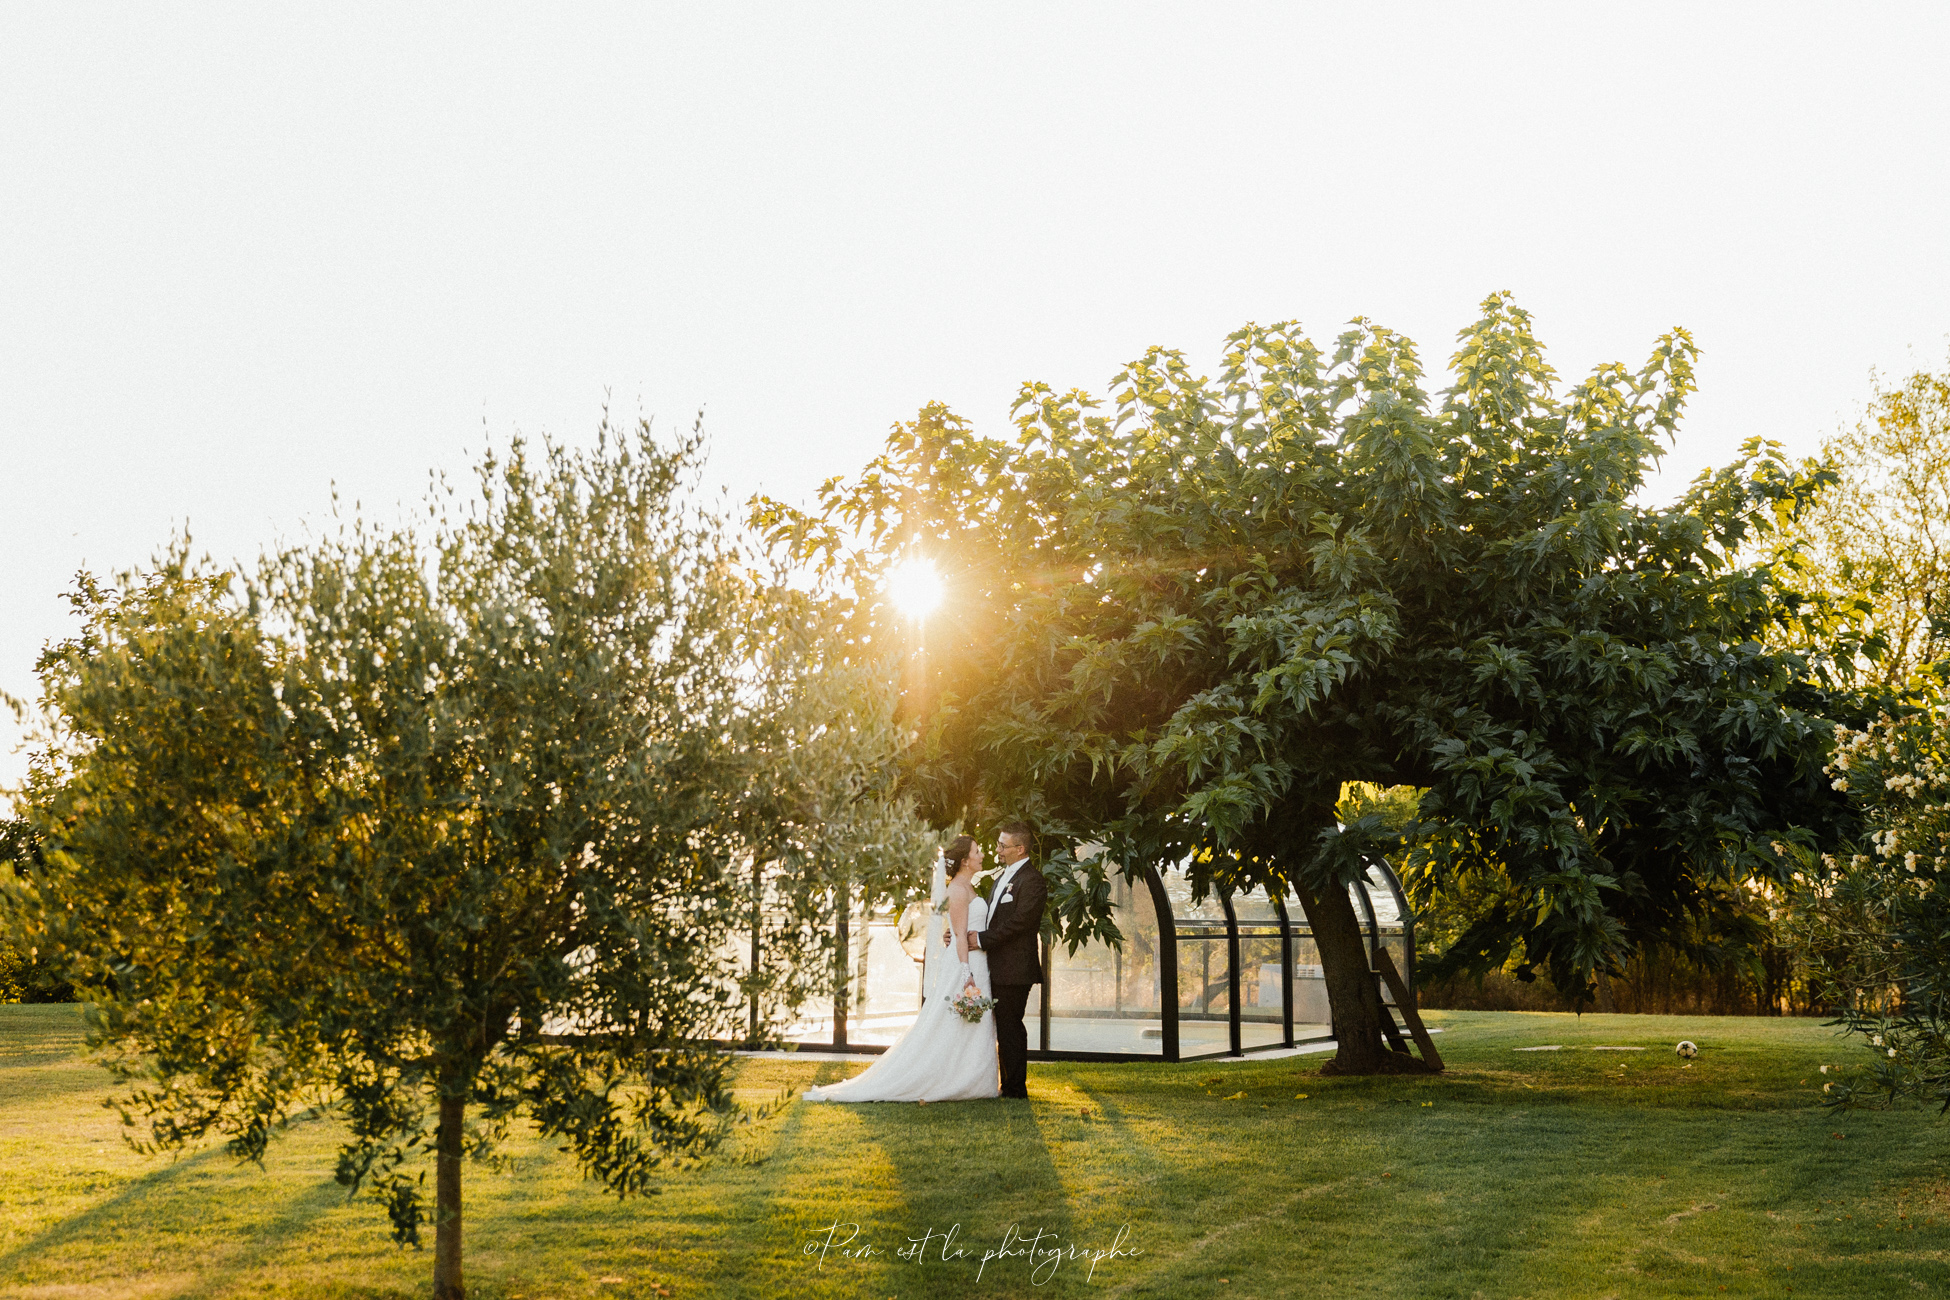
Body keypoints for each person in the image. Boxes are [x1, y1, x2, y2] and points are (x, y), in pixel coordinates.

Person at [802, 835, 999, 1103]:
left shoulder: (967, 887)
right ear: (965, 861)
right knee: (951, 1021)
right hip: (966, 964)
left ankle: (972, 1078)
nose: (982, 854)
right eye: (977, 851)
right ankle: (956, 1079)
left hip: (976, 960)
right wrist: (966, 974)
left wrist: (954, 937)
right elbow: (960, 934)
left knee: (967, 1022)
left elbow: (957, 932)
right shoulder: (957, 890)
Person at [967, 819, 1046, 1100]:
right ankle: (1006, 1084)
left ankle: (1015, 1088)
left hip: (1014, 968)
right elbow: (991, 918)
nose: (998, 849)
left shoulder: (1032, 881)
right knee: (1003, 1025)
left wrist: (982, 940)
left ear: (1020, 848)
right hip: (996, 965)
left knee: (1011, 1027)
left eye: (1003, 845)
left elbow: (1021, 923)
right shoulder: (1004, 877)